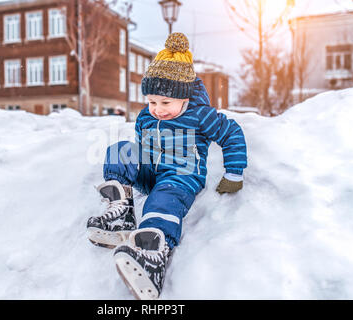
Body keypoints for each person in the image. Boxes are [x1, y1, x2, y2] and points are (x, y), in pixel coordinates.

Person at [86, 32, 248, 300]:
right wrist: (135, 164)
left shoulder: (200, 115)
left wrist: (234, 173)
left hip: (182, 175)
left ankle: (152, 252)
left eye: (165, 103)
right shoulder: (145, 117)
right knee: (120, 150)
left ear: (184, 98)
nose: (158, 109)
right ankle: (120, 213)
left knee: (163, 199)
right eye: (151, 102)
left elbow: (231, 134)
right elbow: (139, 145)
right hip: (152, 170)